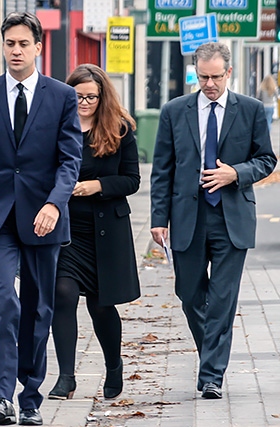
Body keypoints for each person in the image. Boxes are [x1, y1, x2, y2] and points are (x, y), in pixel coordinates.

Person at [0, 12, 82, 426]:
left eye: (23, 44)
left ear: (38, 47)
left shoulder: (62, 96)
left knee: (38, 308)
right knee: (3, 301)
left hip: (43, 218)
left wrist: (54, 203)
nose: (15, 50)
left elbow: (69, 161)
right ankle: (0, 396)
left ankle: (30, 400)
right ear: (3, 45)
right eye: (9, 43)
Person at [150, 42, 276, 400]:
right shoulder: (175, 111)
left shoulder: (250, 110)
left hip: (231, 217)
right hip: (188, 216)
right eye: (202, 77)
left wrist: (234, 173)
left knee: (222, 299)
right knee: (188, 294)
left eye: (215, 77)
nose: (209, 84)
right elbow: (162, 169)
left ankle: (211, 377)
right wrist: (158, 219)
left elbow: (267, 160)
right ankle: (213, 355)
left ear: (229, 73)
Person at [49, 64, 141, 401]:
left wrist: (96, 185)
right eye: (78, 97)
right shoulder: (57, 127)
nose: (84, 102)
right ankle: (66, 377)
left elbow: (132, 180)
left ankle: (113, 365)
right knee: (63, 294)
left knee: (101, 306)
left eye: (91, 97)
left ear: (102, 97)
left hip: (107, 230)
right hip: (68, 231)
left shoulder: (119, 129)